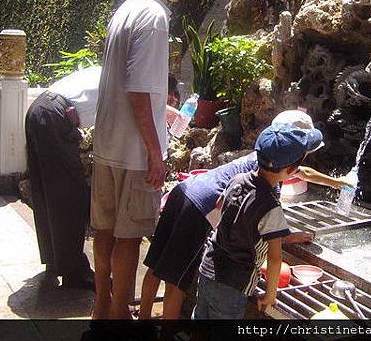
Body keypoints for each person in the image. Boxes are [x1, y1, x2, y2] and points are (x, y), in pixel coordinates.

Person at [139, 110, 353, 319]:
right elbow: (258, 225)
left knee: (158, 263)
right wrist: (283, 238)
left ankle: (144, 316)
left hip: (185, 191)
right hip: (199, 209)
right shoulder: (268, 186)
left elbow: (300, 173)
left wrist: (337, 182)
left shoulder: (264, 158)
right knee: (177, 278)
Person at [90, 0, 199, 320]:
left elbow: (129, 87)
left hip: (106, 144)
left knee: (103, 231)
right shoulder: (154, 16)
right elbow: (138, 91)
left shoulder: (125, 9)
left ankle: (102, 307)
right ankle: (120, 319)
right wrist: (156, 152)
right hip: (135, 153)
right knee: (129, 237)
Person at [192, 123, 323, 319]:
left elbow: (219, 206)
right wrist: (270, 296)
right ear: (292, 170)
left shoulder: (237, 179)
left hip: (208, 268)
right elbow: (275, 257)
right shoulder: (271, 207)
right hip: (235, 283)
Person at [25, 66, 101, 290]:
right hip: (55, 117)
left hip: (40, 110)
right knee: (71, 196)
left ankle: (54, 259)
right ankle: (74, 270)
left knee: (46, 191)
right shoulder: (122, 79)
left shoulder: (105, 70)